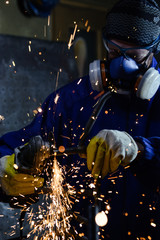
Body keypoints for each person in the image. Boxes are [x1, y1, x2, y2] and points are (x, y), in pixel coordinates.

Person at [0, 0, 160, 239]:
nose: (122, 66)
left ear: (154, 50)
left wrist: (139, 149)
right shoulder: (71, 100)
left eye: (135, 56)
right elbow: (16, 144)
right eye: (115, 53)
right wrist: (4, 170)